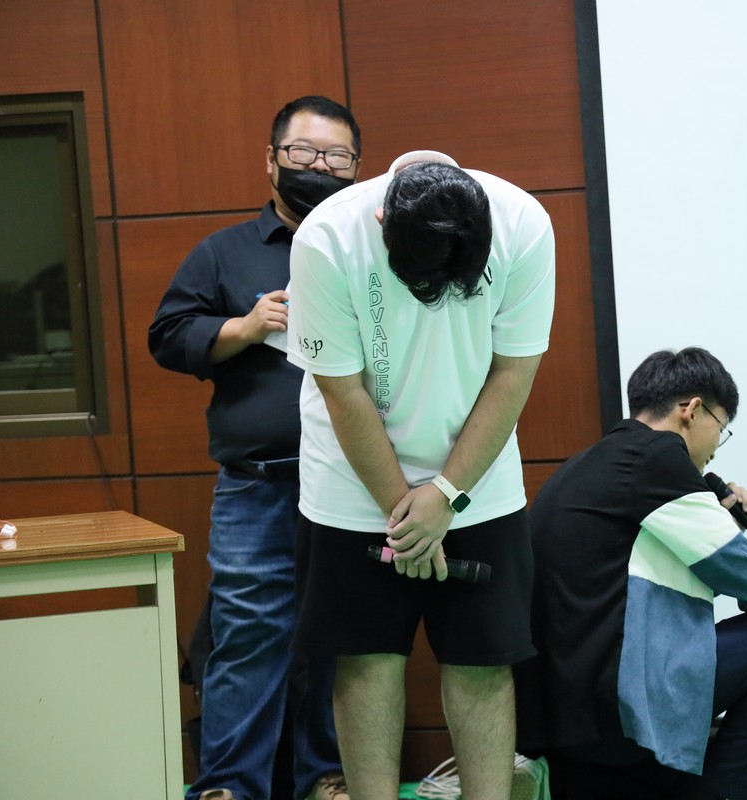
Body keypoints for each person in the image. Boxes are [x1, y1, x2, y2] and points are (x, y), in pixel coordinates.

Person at [285, 151, 555, 800]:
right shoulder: (327, 237)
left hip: (478, 482)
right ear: (384, 222)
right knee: (368, 658)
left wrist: (446, 496)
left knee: (483, 659)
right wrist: (408, 516)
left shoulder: (523, 223)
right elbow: (342, 390)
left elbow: (513, 374)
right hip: (352, 485)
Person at [149, 95, 363, 800]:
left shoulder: (372, 251)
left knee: (341, 637)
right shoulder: (225, 251)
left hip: (353, 480)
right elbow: (167, 335)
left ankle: (325, 776)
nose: (318, 167)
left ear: (357, 169)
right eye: (304, 152)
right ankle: (230, 786)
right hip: (258, 482)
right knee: (247, 635)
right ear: (271, 161)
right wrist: (241, 328)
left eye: (336, 157)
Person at [515, 347, 747, 800]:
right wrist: (726, 524)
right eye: (721, 429)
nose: (714, 451)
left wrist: (713, 511)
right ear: (692, 410)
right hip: (618, 709)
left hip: (563, 723)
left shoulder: (588, 465)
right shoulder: (657, 456)